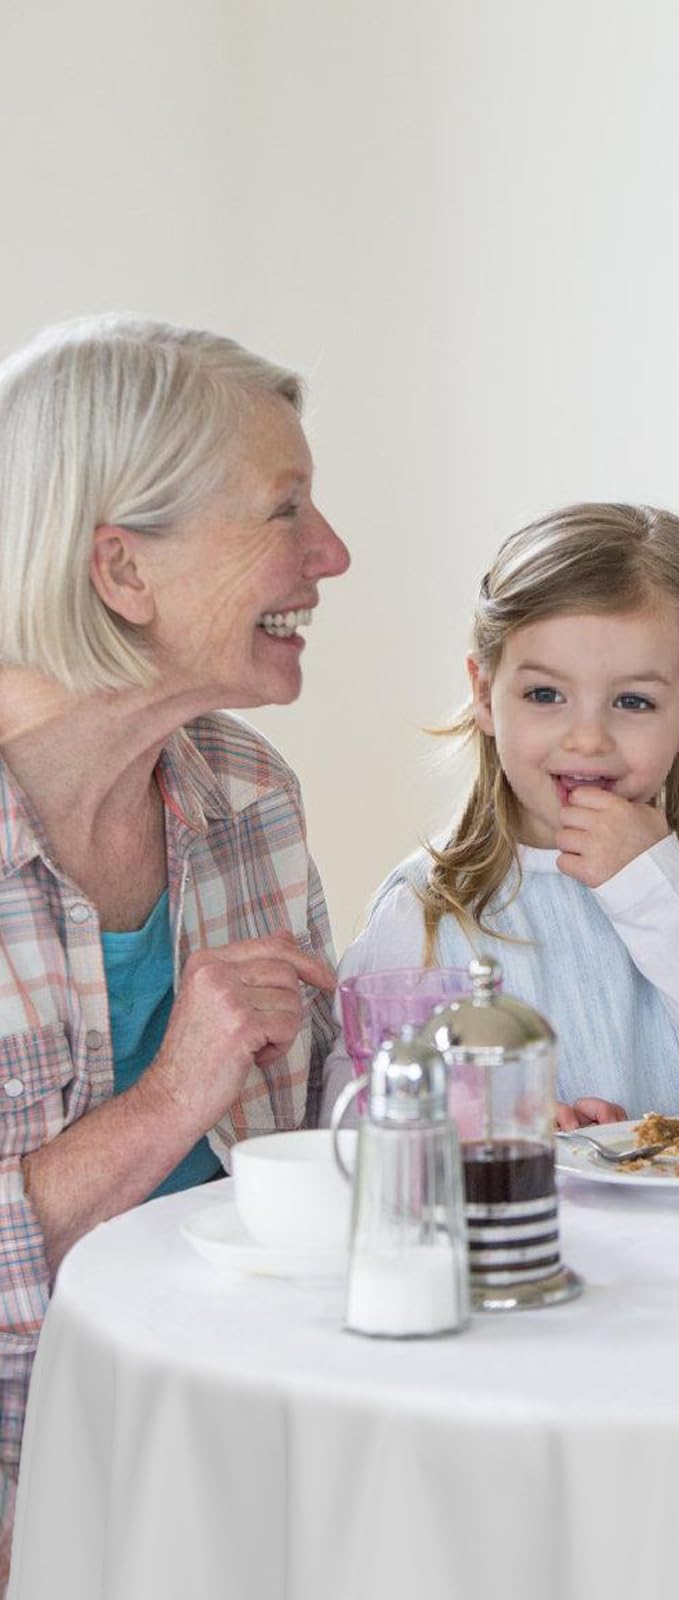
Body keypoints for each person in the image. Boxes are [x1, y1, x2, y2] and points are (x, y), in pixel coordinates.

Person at [0, 316, 348, 1571]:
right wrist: (168, 1097)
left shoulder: (248, 792)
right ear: (122, 571)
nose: (333, 554)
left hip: (240, 1443)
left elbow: (320, 1147)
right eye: (283, 510)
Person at [330, 502, 679, 1123]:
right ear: (484, 694)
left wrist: (651, 888)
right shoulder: (426, 907)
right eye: (545, 695)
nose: (587, 738)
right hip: (501, 1216)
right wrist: (485, 1118)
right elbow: (348, 1111)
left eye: (632, 701)